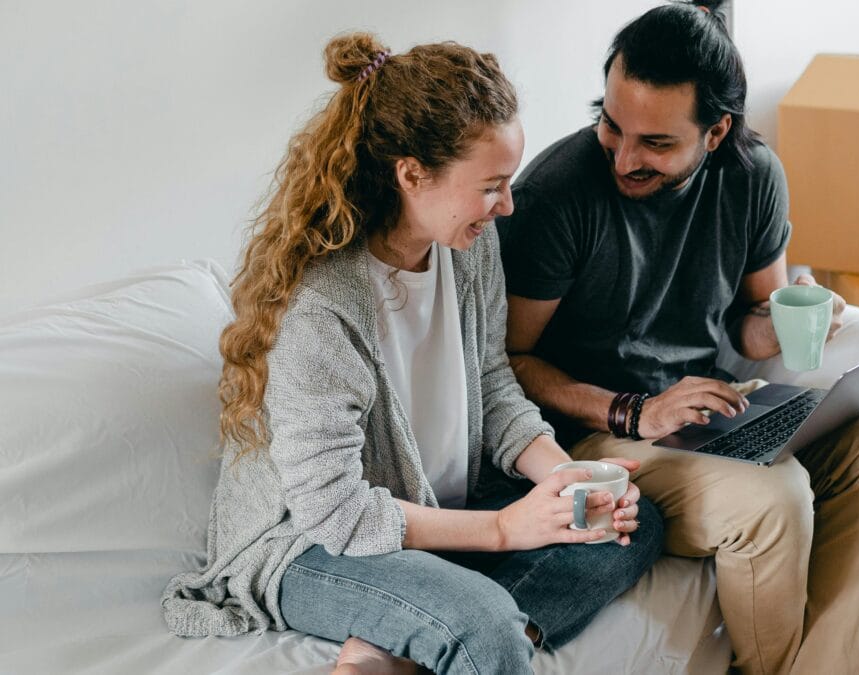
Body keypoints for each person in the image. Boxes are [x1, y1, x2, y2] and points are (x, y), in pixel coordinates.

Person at [161, 33, 664, 675]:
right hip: (313, 547)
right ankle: (457, 632)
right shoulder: (322, 306)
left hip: (433, 508)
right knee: (487, 631)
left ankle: (405, 657)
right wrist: (507, 530)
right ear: (412, 174)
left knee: (626, 526)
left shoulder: (470, 246)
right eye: (491, 186)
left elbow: (493, 380)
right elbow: (335, 512)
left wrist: (566, 480)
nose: (507, 205)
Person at [496, 4, 859, 674]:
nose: (624, 157)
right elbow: (507, 363)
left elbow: (751, 323)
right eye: (610, 122)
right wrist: (636, 410)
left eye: (655, 143)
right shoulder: (559, 195)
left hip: (700, 411)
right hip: (595, 435)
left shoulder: (752, 177)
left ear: (716, 131)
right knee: (775, 501)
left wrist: (787, 318)